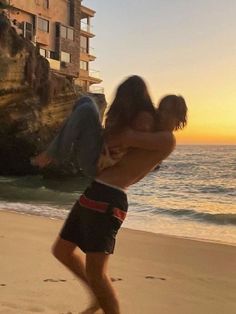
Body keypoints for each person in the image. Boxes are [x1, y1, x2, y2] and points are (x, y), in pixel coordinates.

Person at [33, 76, 187, 314]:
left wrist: (118, 127)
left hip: (108, 199)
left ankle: (101, 296)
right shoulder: (149, 127)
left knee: (97, 273)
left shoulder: (167, 139)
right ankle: (97, 296)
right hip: (96, 190)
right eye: (162, 109)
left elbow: (123, 137)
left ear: (180, 120)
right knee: (61, 251)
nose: (164, 115)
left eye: (170, 113)